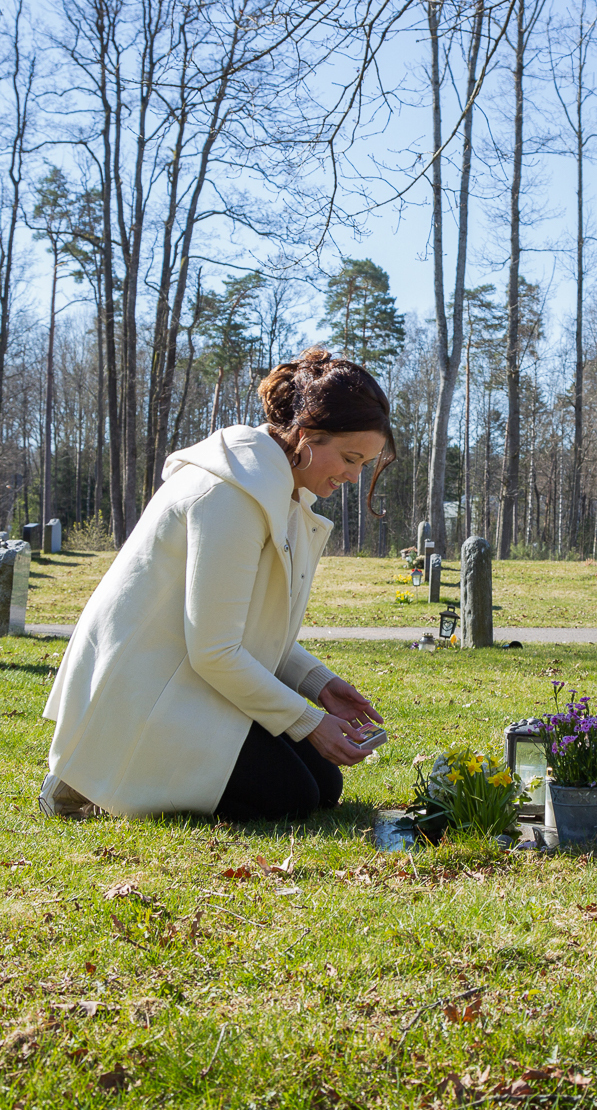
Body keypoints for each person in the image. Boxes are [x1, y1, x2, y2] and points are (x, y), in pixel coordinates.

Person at [38, 347, 392, 821]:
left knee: (324, 785)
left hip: (186, 682)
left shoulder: (274, 489)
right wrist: (309, 723)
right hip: (147, 695)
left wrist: (320, 685)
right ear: (307, 436)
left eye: (363, 465)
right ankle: (89, 780)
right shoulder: (231, 496)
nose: (352, 476)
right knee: (295, 797)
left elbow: (245, 629)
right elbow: (215, 650)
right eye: (350, 458)